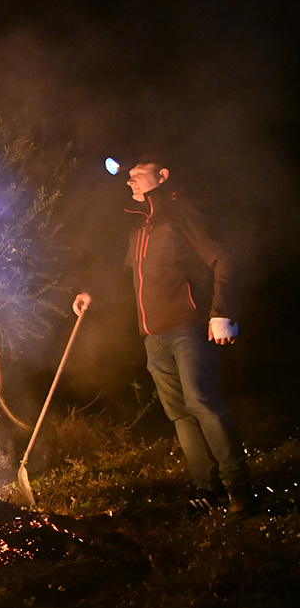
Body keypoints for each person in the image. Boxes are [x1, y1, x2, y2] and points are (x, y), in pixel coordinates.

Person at [74, 156, 252, 513]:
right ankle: (207, 489)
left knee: (202, 403)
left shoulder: (181, 214)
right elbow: (124, 276)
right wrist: (92, 290)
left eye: (137, 175)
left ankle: (239, 490)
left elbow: (223, 260)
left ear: (163, 176)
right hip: (152, 336)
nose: (130, 181)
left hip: (188, 327)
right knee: (180, 414)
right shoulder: (140, 230)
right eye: (128, 178)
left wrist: (222, 313)